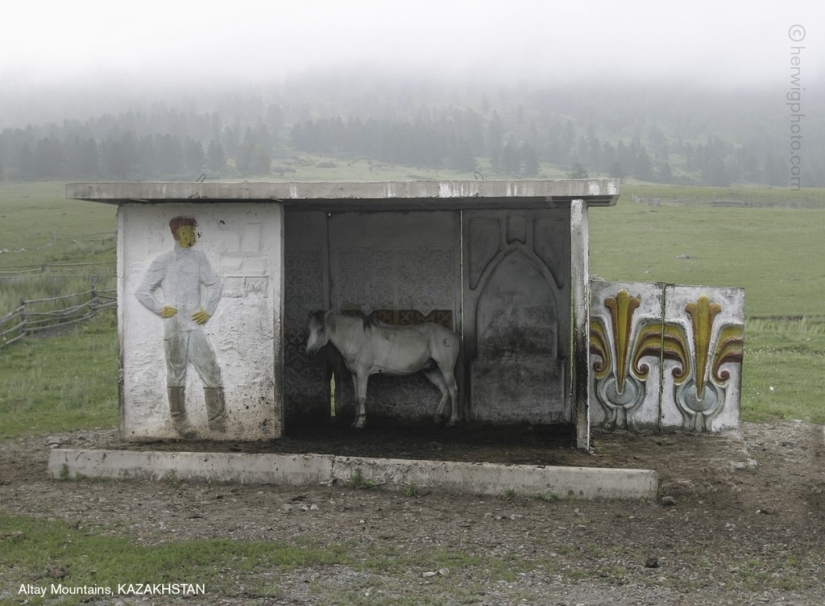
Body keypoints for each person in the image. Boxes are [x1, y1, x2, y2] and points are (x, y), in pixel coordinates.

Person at [136, 216, 226, 437]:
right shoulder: (163, 261)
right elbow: (142, 291)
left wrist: (208, 310)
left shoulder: (199, 258)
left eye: (192, 231)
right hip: (174, 325)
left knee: (211, 369)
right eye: (186, 231)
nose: (190, 235)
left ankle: (218, 424)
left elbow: (215, 284)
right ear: (176, 234)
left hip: (194, 325)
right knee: (176, 372)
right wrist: (159, 308)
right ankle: (180, 422)